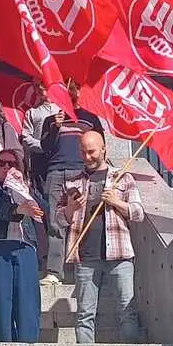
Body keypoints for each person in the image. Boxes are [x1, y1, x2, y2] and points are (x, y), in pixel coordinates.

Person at [59, 131, 144, 344]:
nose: (87, 157)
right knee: (84, 314)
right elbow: (60, 219)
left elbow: (138, 213)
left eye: (91, 151)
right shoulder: (73, 181)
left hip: (119, 254)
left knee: (127, 309)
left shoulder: (122, 177)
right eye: (83, 152)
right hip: (86, 255)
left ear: (104, 148)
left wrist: (116, 202)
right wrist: (70, 208)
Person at [0, 149, 44, 343]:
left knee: (28, 305)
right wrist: (17, 208)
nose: (6, 167)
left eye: (12, 164)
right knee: (1, 307)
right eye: (2, 163)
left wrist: (23, 191)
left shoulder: (27, 189)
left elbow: (43, 212)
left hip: (24, 249)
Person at [40, 81, 104, 286]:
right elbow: (45, 148)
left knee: (81, 219)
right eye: (67, 86)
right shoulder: (51, 119)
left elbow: (101, 147)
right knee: (55, 222)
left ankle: (81, 268)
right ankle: (54, 271)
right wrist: (54, 128)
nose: (71, 90)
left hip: (81, 171)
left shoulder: (90, 118)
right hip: (56, 171)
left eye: (74, 86)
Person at [20, 82, 60, 192]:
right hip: (40, 161)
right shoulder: (32, 112)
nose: (40, 87)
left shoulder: (62, 109)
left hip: (59, 161)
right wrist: (41, 146)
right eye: (37, 85)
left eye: (43, 83)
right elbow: (25, 137)